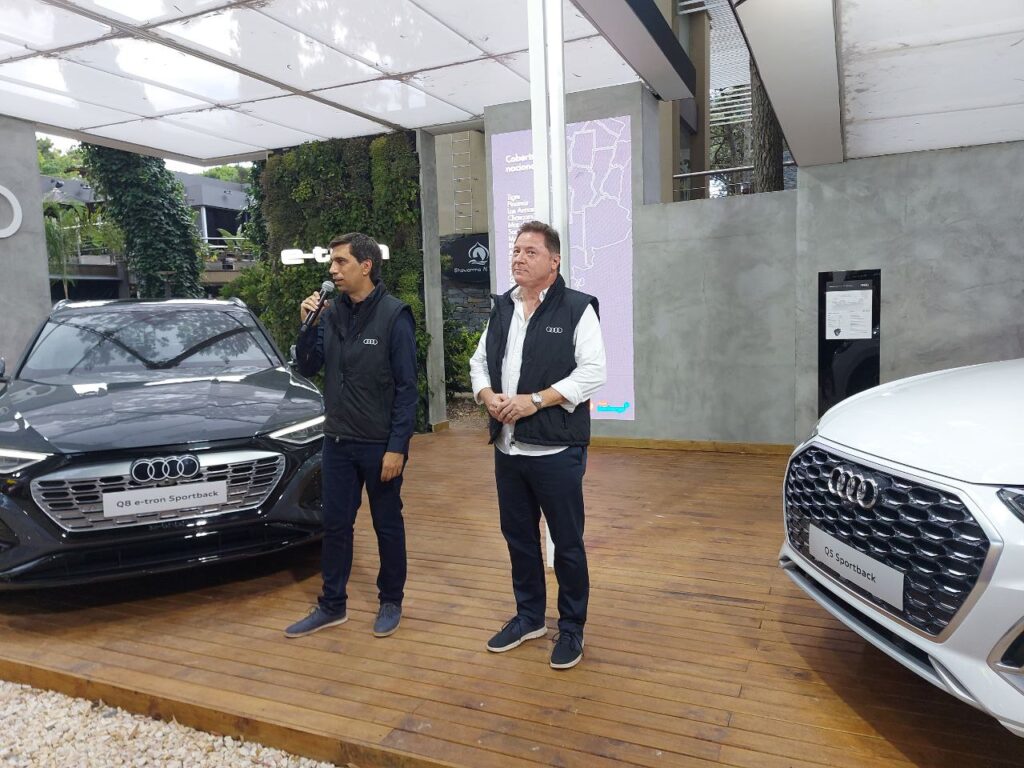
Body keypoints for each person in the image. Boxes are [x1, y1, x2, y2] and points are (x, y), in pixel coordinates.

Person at [469, 220, 607, 669]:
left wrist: (534, 401)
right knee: (519, 539)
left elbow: (593, 373)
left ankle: (572, 628)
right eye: (516, 250)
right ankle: (529, 617)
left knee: (567, 543)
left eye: (530, 252)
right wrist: (487, 396)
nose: (519, 258)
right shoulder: (502, 308)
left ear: (554, 261)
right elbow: (478, 362)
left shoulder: (578, 308)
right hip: (507, 450)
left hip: (556, 452)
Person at [284, 232, 417, 640]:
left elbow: (407, 389)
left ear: (366, 266)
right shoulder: (329, 314)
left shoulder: (395, 315)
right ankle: (332, 605)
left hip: (378, 444)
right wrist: (307, 325)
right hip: (338, 441)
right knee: (336, 525)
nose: (333, 270)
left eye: (341, 262)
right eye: (332, 262)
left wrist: (397, 448)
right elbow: (308, 367)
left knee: (386, 524)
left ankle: (390, 601)